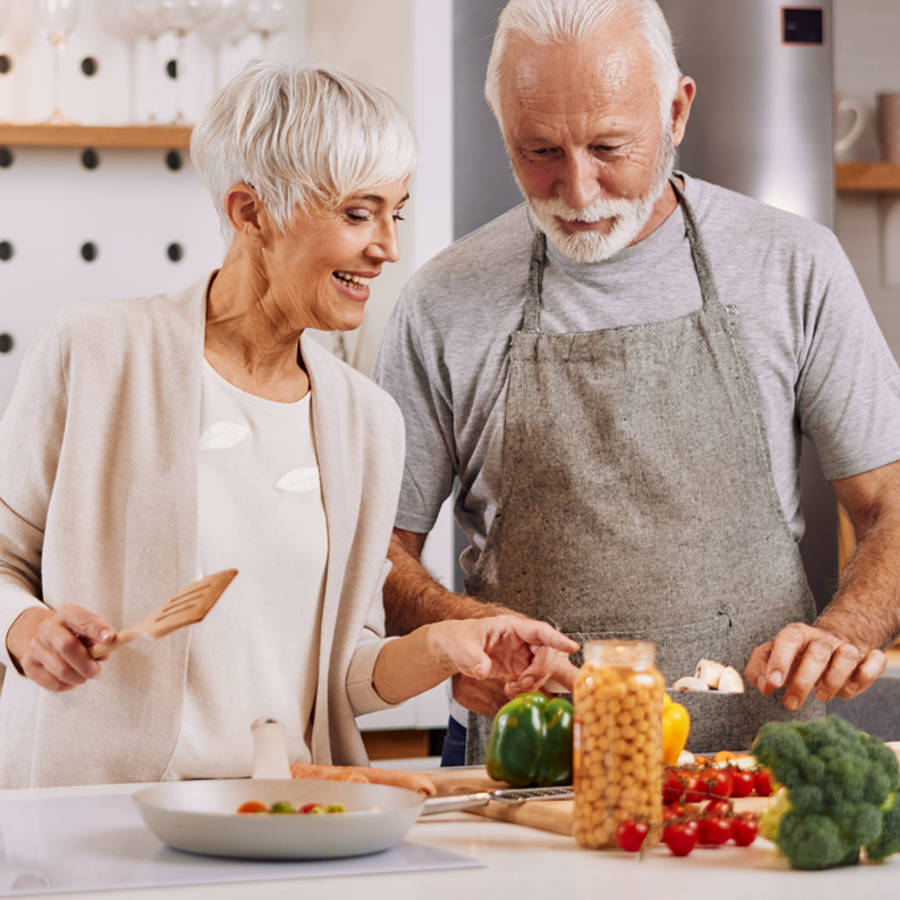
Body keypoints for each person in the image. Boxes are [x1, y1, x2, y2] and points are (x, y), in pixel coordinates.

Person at [0, 60, 576, 788]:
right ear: (250, 213)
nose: (388, 247)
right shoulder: (96, 352)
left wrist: (447, 645)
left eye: (395, 213)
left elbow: (345, 674)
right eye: (358, 213)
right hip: (96, 819)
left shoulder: (365, 422)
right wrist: (23, 631)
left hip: (284, 819)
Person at [374, 0, 900, 763]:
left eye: (609, 146)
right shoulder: (441, 301)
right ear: (503, 128)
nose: (578, 190)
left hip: (758, 770)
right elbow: (375, 549)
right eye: (541, 150)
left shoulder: (794, 265)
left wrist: (848, 629)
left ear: (677, 110)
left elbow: (891, 502)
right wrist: (452, 630)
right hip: (531, 767)